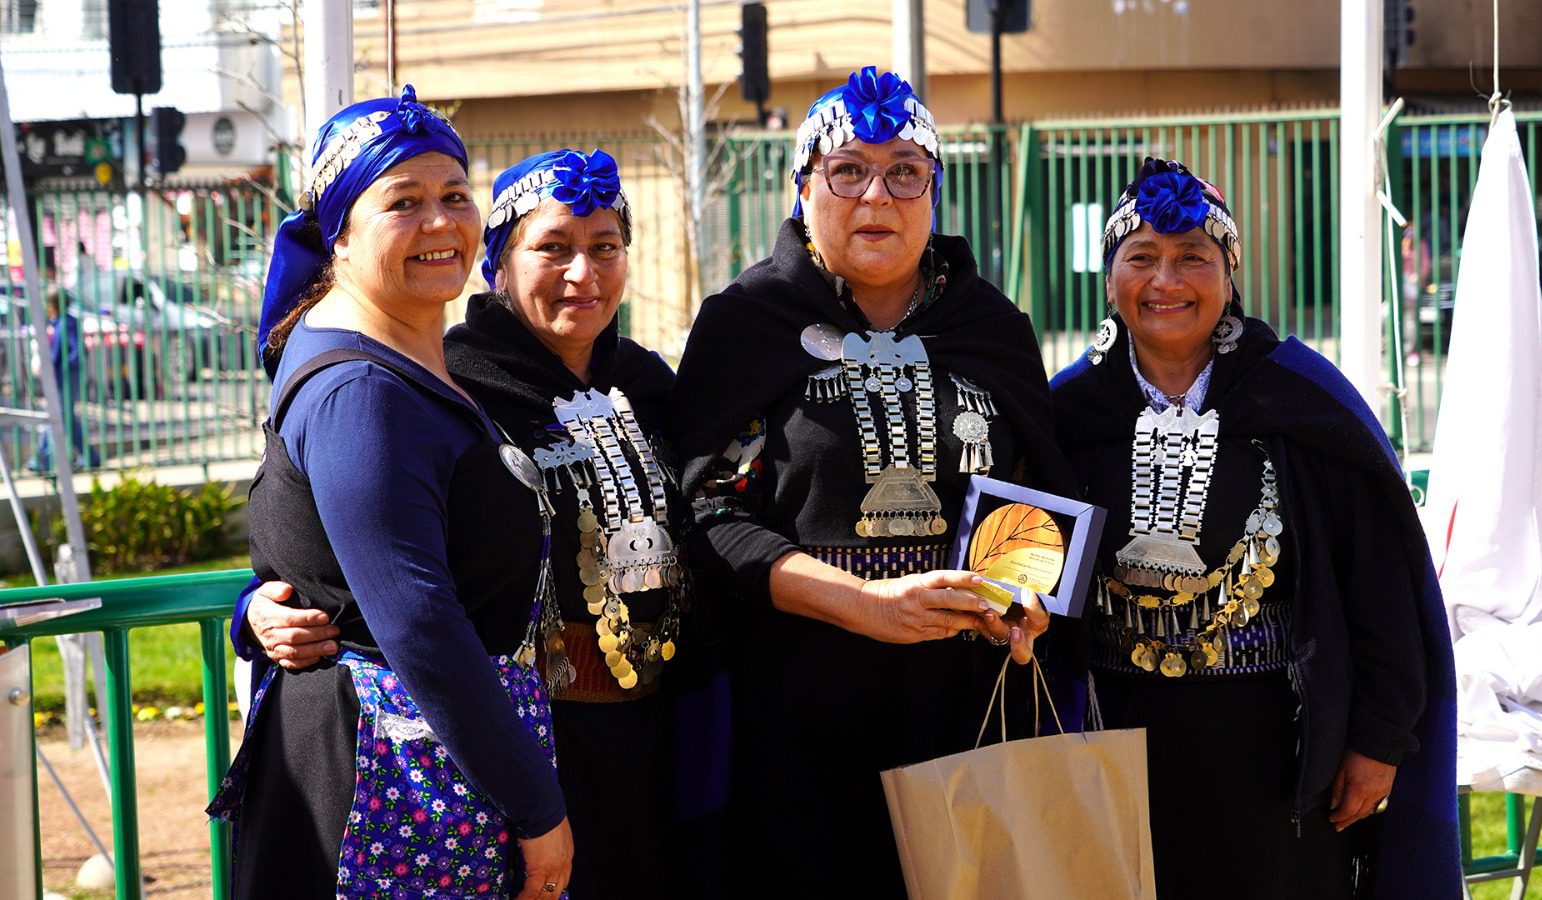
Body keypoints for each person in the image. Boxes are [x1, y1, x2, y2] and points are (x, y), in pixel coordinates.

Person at [239, 149, 708, 899]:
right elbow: (357, 543)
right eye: (552, 248)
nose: (582, 273)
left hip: (654, 734)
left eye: (605, 248)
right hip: (519, 740)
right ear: (498, 261)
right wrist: (258, 610)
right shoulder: (453, 380)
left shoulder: (650, 386)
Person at [672, 66, 1067, 898]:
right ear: (803, 189)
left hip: (966, 705)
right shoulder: (748, 323)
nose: (876, 197)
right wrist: (863, 604)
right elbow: (705, 511)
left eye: (904, 173)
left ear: (935, 192)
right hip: (798, 714)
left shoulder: (992, 328)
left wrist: (1029, 591)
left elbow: (1037, 487)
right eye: (847, 170)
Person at [1048, 158, 1460, 898]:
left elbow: (1380, 585)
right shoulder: (1066, 414)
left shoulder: (1300, 399)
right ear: (1111, 278)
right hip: (1111, 747)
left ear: (1229, 275)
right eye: (1140, 257)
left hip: (1277, 753)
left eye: (1192, 259)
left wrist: (1377, 738)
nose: (1165, 282)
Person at [205, 86, 573, 899]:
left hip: (440, 758)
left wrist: (253, 611)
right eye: (403, 202)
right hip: (394, 783)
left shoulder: (407, 353)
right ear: (337, 233)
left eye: (454, 195)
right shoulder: (359, 390)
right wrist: (537, 809)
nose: (441, 223)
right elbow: (416, 617)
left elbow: (331, 551)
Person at [31, 287, 97, 471]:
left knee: (56, 416)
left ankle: (43, 461)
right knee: (64, 418)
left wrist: (62, 369)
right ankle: (90, 457)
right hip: (59, 376)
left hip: (66, 377)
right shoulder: (58, 322)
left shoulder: (67, 323)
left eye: (49, 304)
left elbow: (77, 351)